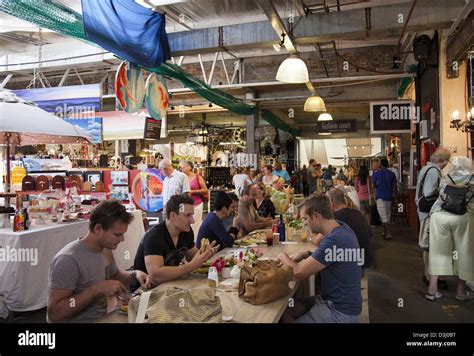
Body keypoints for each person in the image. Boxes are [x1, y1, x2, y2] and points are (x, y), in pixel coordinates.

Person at [48, 200, 152, 323]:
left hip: (106, 315)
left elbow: (115, 276)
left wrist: (135, 274)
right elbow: (55, 314)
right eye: (117, 234)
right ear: (98, 229)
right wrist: (95, 290)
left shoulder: (105, 249)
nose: (122, 239)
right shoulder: (68, 260)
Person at [279, 194, 362, 323]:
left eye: (305, 219)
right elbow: (332, 257)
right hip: (332, 301)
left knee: (284, 308)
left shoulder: (335, 239)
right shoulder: (341, 228)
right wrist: (307, 254)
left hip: (339, 312)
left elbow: (297, 272)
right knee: (285, 309)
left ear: (317, 216)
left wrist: (282, 255)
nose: (304, 223)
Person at [133, 194, 218, 286]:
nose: (192, 221)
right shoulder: (154, 236)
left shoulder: (186, 231)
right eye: (187, 215)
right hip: (144, 289)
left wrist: (205, 253)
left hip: (168, 284)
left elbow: (192, 256)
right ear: (173, 216)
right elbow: (155, 275)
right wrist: (191, 266)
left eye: (192, 215)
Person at [426, 156, 474, 301]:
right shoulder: (472, 178)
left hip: (440, 215)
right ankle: (460, 292)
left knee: (437, 251)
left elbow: (440, 195)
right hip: (463, 217)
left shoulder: (446, 177)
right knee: (465, 253)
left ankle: (432, 290)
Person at [415, 147, 451, 290]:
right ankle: (430, 276)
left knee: (428, 246)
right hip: (429, 211)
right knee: (429, 245)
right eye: (447, 160)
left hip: (423, 210)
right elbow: (429, 191)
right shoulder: (434, 172)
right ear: (442, 160)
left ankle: (429, 275)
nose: (447, 163)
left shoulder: (425, 168)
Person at [327, 188, 372, 271]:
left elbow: (318, 240)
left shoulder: (336, 217)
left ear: (332, 202)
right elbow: (370, 234)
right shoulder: (358, 213)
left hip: (353, 268)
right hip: (364, 263)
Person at [179, 160, 208, 236]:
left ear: (189, 167)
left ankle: (194, 242)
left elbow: (205, 190)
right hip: (184, 205)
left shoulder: (197, 177)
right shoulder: (181, 177)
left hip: (196, 204)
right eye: (181, 168)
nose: (182, 170)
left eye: (183, 168)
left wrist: (192, 192)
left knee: (195, 224)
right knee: (184, 224)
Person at [372, 158, 397, 239]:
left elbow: (373, 185)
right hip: (389, 196)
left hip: (380, 196)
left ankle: (388, 233)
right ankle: (385, 231)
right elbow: (394, 187)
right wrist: (395, 196)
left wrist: (375, 193)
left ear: (381, 165)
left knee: (383, 215)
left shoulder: (376, 174)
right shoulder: (392, 174)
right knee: (387, 214)